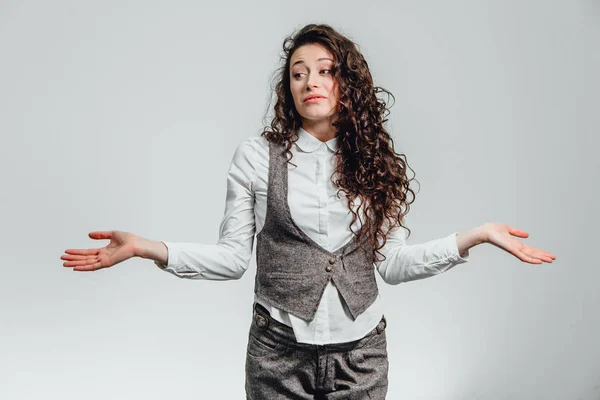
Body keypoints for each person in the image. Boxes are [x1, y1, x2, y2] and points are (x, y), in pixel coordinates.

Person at [60, 23, 556, 399]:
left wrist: (477, 236)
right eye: (298, 74)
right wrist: (148, 248)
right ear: (288, 89)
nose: (309, 82)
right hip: (277, 356)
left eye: (324, 70)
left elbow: (393, 264)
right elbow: (234, 259)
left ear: (348, 84)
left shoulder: (376, 163)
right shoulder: (256, 156)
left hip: (362, 356)